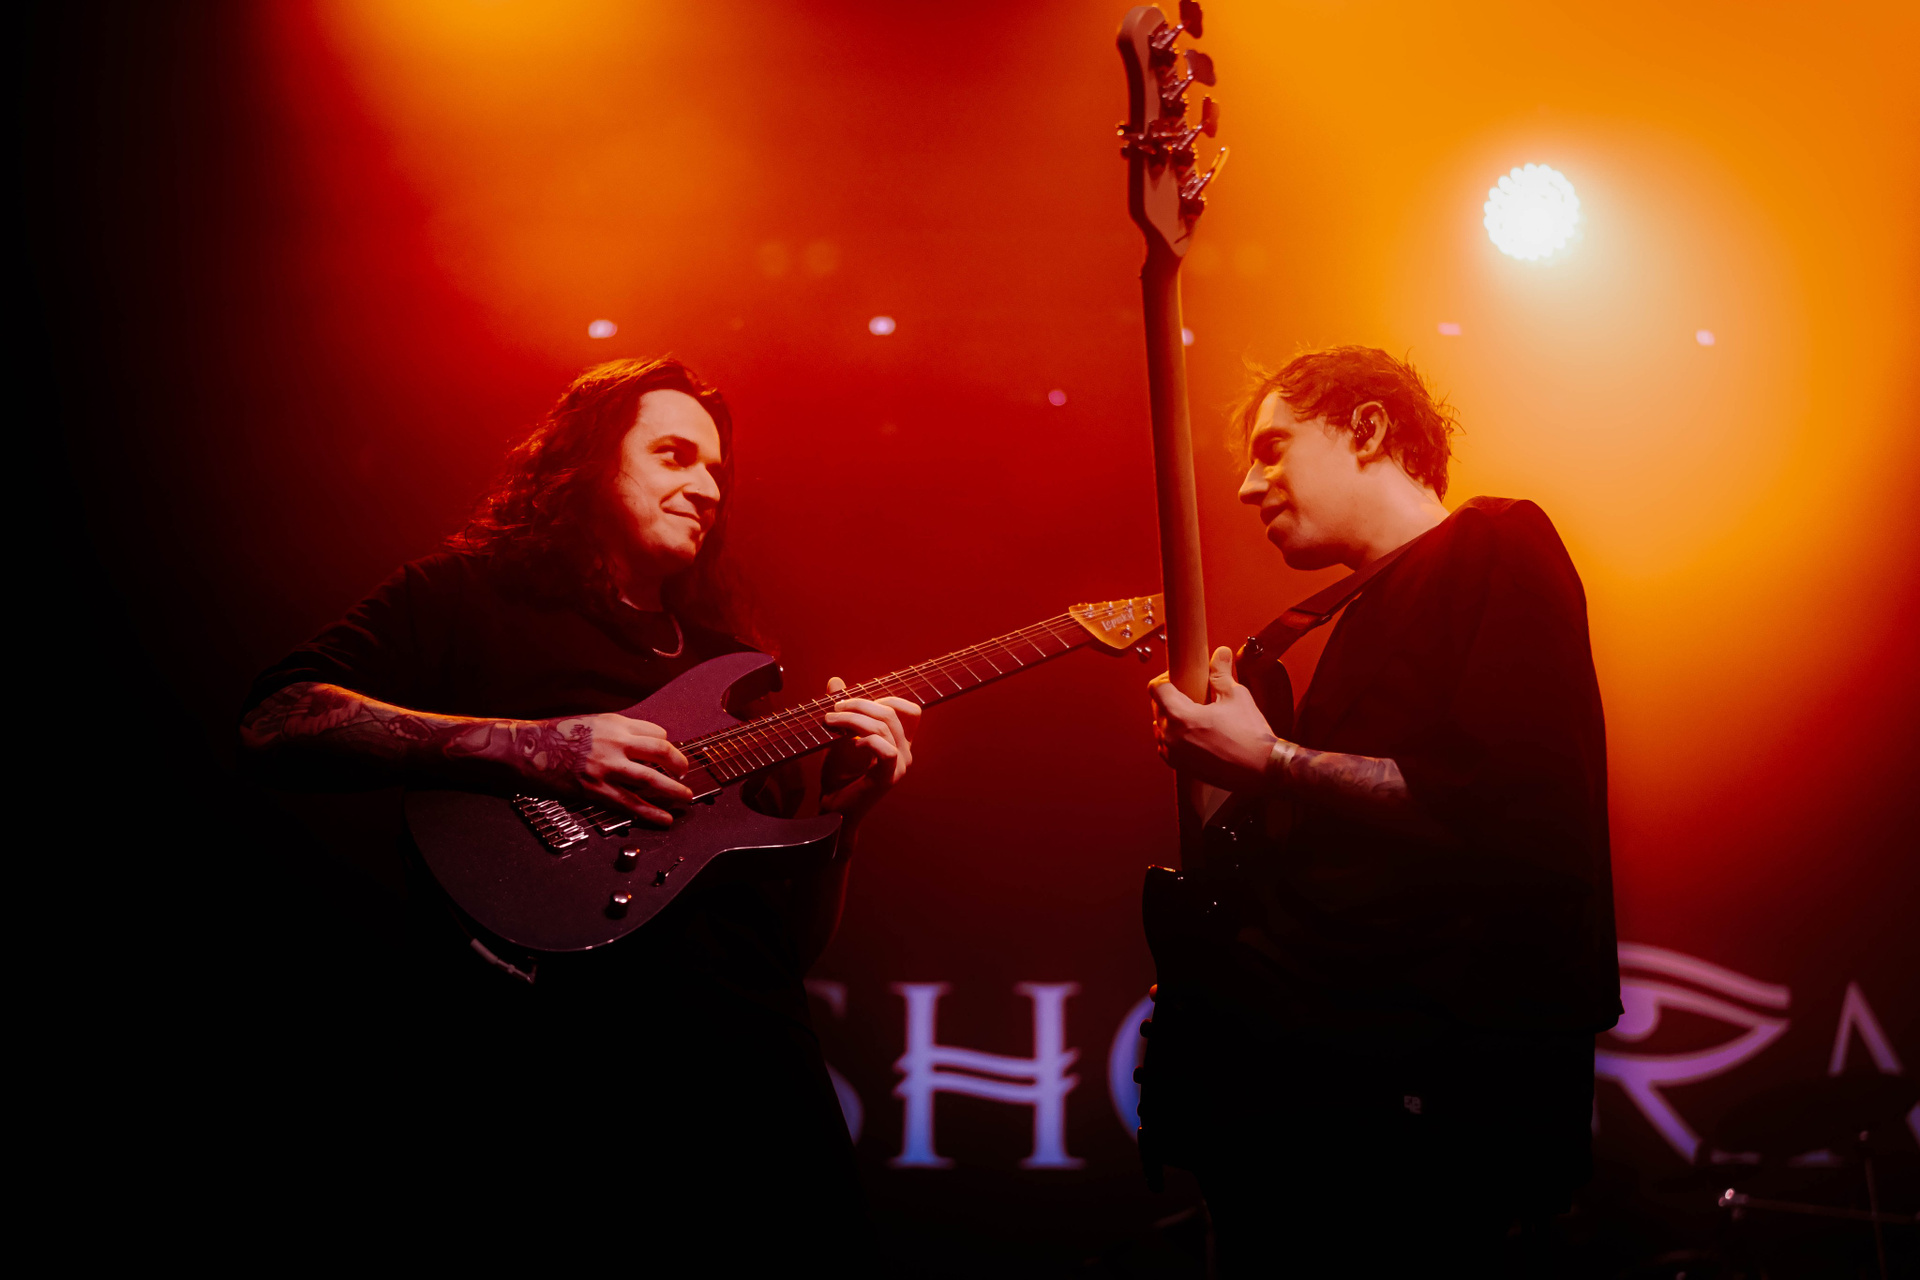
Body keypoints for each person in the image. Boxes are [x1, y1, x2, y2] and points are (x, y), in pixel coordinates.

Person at [238, 356, 915, 1255]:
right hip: (556, 1078)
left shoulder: (736, 673)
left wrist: (846, 821)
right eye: (675, 455)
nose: (708, 489)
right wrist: (542, 748)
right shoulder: (466, 597)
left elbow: (785, 952)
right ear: (589, 463)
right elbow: (278, 719)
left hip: (757, 1093)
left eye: (719, 471)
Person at [1148, 346, 1620, 1273]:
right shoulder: (1347, 619)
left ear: (1367, 430)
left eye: (1274, 448)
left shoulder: (1496, 543)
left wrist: (1273, 760)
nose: (1248, 487)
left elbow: (1516, 813)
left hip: (1429, 1100)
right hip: (1320, 1092)